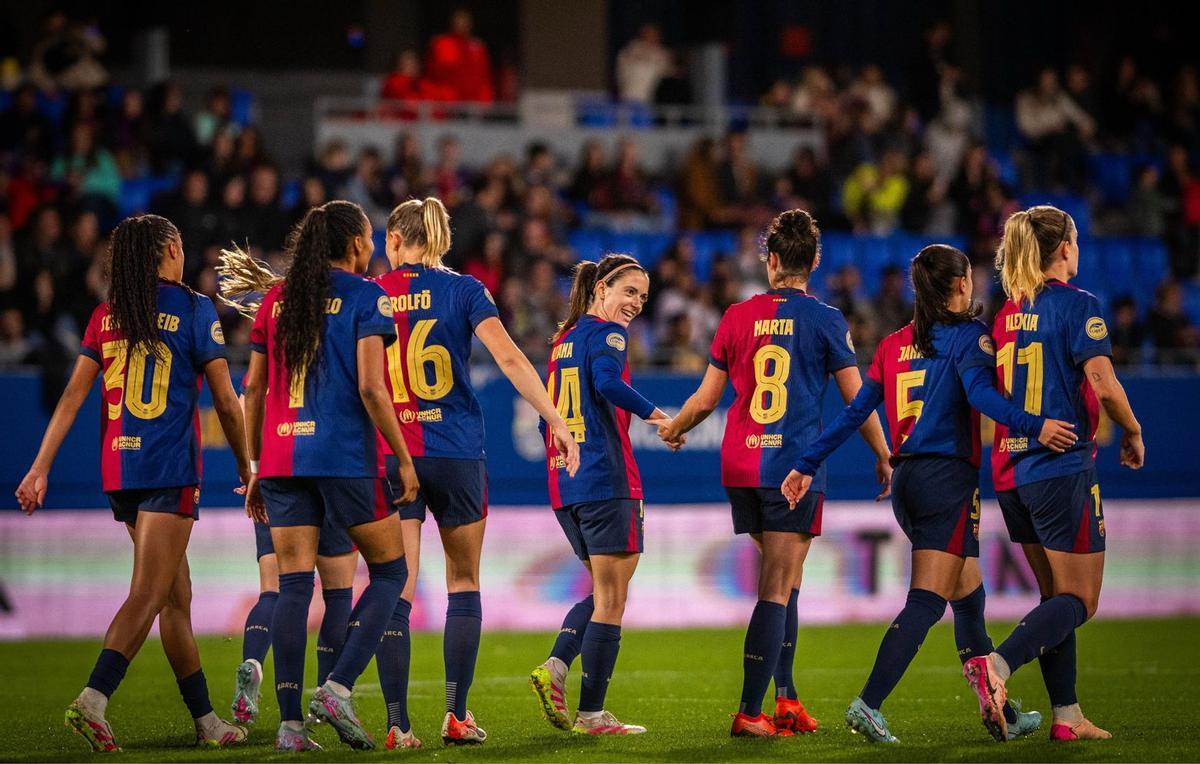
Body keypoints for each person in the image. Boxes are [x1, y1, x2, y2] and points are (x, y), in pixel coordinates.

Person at [781, 244, 1075, 742]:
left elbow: (855, 413)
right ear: (962, 284)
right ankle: (867, 704)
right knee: (927, 600)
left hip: (908, 480)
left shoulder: (895, 344)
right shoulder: (969, 338)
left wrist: (807, 462)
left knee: (969, 596)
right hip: (946, 480)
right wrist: (1036, 424)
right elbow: (981, 397)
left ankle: (999, 713)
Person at [15, 214, 251, 751]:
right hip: (168, 469)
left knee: (175, 595)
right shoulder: (193, 308)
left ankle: (206, 721)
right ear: (169, 249)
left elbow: (73, 395)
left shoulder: (108, 314)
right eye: (183, 246)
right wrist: (246, 466)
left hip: (120, 470)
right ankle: (94, 698)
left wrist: (40, 466)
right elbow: (225, 399)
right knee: (150, 592)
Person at [657, 209, 892, 737]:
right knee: (777, 585)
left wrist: (675, 427)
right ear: (814, 262)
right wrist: (883, 453)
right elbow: (858, 400)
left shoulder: (737, 317)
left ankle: (786, 698)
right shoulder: (827, 319)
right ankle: (749, 711)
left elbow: (706, 399)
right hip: (793, 468)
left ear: (771, 261)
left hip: (741, 463)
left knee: (787, 582)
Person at [372, 198, 580, 747]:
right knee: (464, 582)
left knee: (398, 583)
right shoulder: (465, 290)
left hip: (396, 454)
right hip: (457, 452)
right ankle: (456, 715)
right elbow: (511, 359)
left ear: (395, 238)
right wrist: (555, 418)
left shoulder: (373, 292)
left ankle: (397, 724)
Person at [240, 200, 420, 751]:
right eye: (368, 237)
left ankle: (290, 727)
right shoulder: (369, 295)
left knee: (293, 587)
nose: (372, 247)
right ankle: (338, 686)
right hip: (344, 458)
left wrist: (253, 465)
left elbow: (253, 389)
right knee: (391, 573)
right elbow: (371, 387)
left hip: (281, 460)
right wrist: (403, 457)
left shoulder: (276, 299)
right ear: (354, 243)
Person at [973, 205, 1144, 741]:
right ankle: (996, 665)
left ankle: (1066, 717)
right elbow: (1103, 382)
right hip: (1062, 465)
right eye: (1075, 239)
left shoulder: (1006, 313)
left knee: (1056, 600)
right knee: (1081, 601)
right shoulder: (1078, 306)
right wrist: (1134, 432)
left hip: (1011, 471)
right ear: (1065, 247)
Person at [529, 254, 671, 735]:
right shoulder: (608, 334)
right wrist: (658, 416)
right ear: (601, 289)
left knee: (603, 590)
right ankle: (589, 711)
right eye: (629, 291)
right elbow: (608, 384)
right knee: (613, 596)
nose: (635, 304)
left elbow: (542, 415)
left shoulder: (562, 342)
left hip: (564, 483)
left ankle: (558, 668)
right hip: (606, 478)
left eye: (643, 297)